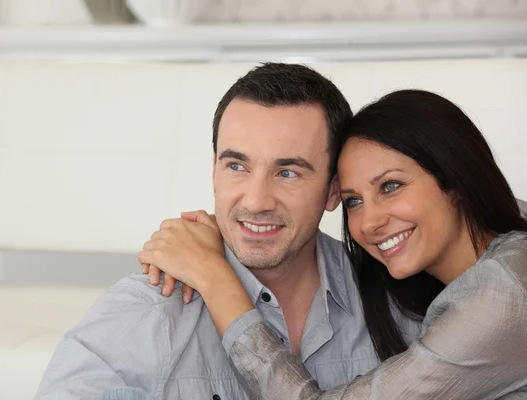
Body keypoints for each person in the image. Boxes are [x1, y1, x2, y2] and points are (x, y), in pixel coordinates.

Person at [35, 63, 421, 400]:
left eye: (287, 172)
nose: (255, 201)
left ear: (333, 189)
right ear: (214, 170)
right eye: (237, 166)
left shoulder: (397, 303)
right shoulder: (150, 312)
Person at [138, 89, 527, 399]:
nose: (370, 222)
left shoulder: (502, 295)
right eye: (354, 201)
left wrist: (217, 279)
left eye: (391, 186)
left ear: (455, 179)